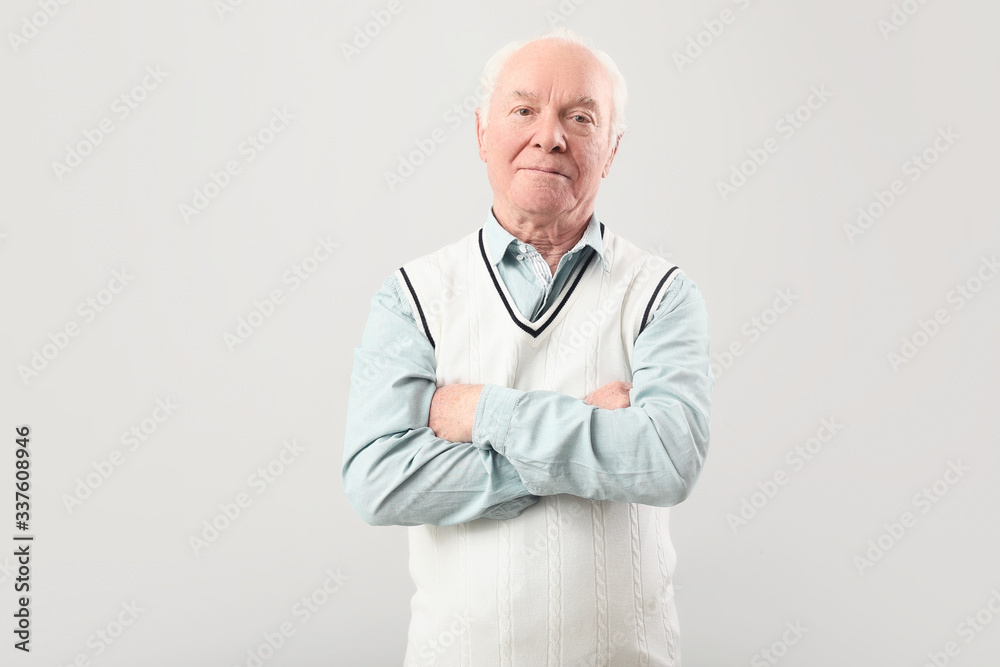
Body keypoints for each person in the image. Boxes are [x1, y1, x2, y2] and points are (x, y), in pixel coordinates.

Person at [342, 27, 714, 666]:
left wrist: (482, 413)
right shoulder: (413, 295)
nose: (550, 136)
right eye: (523, 110)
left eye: (580, 116)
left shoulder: (661, 293)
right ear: (482, 131)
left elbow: (667, 462)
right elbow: (379, 481)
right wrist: (594, 441)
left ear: (612, 149)